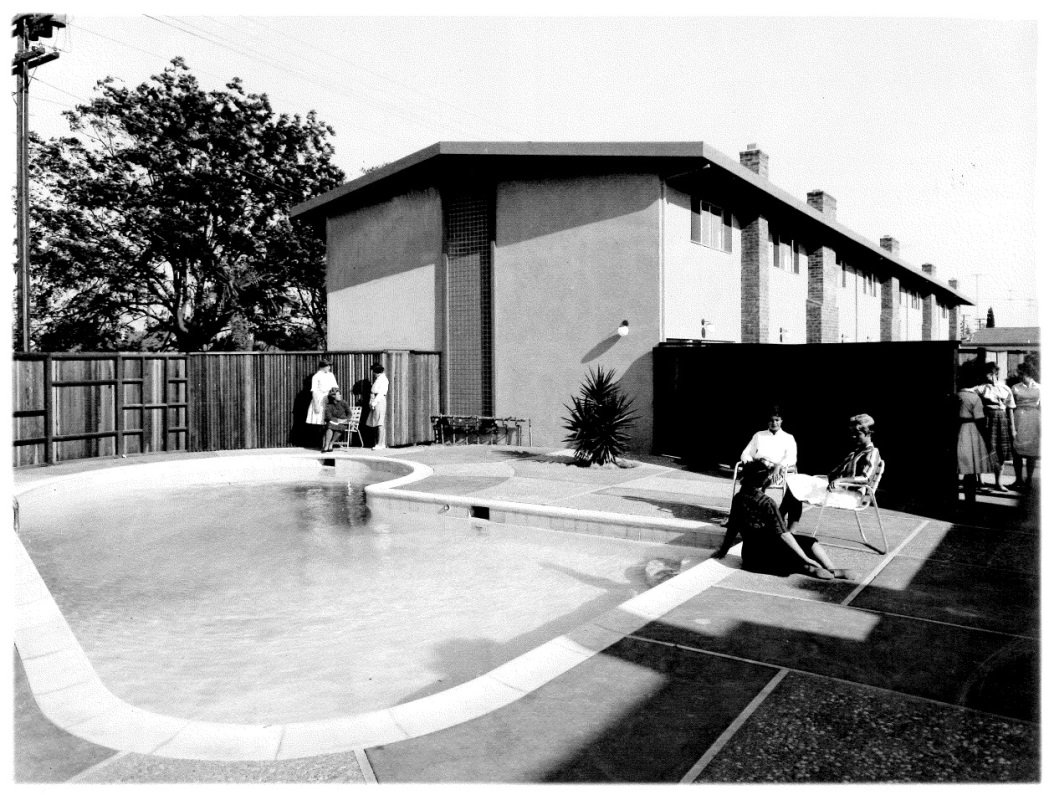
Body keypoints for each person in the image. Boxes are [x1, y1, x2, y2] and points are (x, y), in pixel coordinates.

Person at [714, 460, 851, 580]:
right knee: (809, 543)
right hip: (770, 552)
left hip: (750, 559)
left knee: (785, 553)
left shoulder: (738, 498)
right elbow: (784, 534)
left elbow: (732, 529)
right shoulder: (767, 503)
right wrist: (807, 558)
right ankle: (827, 568)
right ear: (764, 479)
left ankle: (808, 568)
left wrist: (723, 551)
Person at [781, 413, 882, 529]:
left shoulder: (873, 452)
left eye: (857, 434)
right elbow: (833, 474)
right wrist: (820, 479)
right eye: (852, 433)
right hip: (839, 491)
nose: (854, 436)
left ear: (869, 433)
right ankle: (785, 526)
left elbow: (866, 479)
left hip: (853, 497)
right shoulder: (854, 453)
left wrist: (840, 480)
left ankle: (780, 523)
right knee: (797, 482)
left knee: (796, 488)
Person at [970, 362, 1016, 492]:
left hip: (1002, 419)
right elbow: (968, 397)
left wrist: (1012, 428)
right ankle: (980, 480)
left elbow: (1010, 408)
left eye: (989, 373)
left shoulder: (1005, 388)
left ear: (994, 373)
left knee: (1000, 452)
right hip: (987, 419)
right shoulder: (981, 388)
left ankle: (998, 483)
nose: (986, 376)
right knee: (983, 450)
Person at [956, 377, 992, 504]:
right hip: (970, 431)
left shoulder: (957, 395)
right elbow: (980, 420)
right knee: (970, 470)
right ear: (977, 385)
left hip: (956, 429)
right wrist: (987, 439)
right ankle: (970, 500)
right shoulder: (975, 398)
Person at [740, 407, 797, 481]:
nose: (774, 423)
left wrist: (779, 466)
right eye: (771, 420)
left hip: (776, 471)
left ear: (781, 421)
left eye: (777, 420)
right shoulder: (759, 435)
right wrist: (750, 464)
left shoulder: (788, 438)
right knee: (752, 476)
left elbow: (791, 458)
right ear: (767, 421)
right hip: (757, 468)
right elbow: (746, 453)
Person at [1010, 361, 1040, 490]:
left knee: (1032, 449)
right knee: (1017, 449)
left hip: (1034, 418)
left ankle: (1029, 479)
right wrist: (1012, 426)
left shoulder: (1040, 388)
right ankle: (1018, 479)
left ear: (1029, 374)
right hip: (1019, 417)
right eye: (1020, 374)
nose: (1020, 376)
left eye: (1022, 374)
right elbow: (1011, 406)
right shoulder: (1015, 387)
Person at [305, 359, 339, 445]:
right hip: (320, 400)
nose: (329, 368)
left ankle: (328, 444)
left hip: (330, 399)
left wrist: (335, 399)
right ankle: (324, 444)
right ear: (323, 367)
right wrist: (316, 405)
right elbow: (314, 391)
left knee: (330, 421)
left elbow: (335, 387)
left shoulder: (331, 375)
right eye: (327, 366)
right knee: (322, 422)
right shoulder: (316, 376)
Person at [321, 387, 354, 453]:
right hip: (334, 421)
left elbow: (349, 414)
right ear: (333, 397)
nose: (340, 395)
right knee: (329, 427)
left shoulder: (344, 403)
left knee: (340, 427)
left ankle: (331, 444)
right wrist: (337, 420)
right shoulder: (329, 405)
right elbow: (328, 417)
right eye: (338, 394)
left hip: (343, 422)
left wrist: (346, 420)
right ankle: (326, 445)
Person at [367, 362, 389, 449]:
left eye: (374, 372)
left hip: (379, 400)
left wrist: (374, 402)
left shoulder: (383, 380)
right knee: (377, 421)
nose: (373, 374)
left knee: (380, 422)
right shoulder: (379, 379)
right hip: (376, 400)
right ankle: (380, 443)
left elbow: (381, 393)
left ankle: (380, 444)